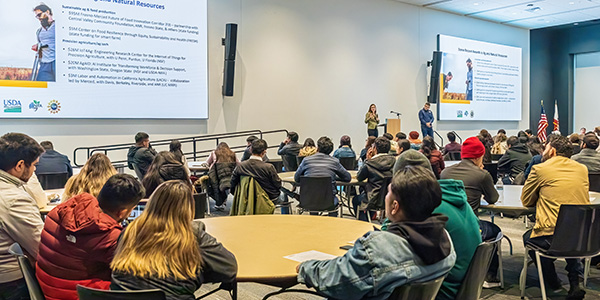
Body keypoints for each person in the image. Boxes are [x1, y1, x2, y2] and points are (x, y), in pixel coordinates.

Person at [296, 166, 456, 299]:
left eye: (387, 193)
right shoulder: (445, 240)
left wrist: (306, 267)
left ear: (394, 206)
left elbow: (334, 280)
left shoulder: (378, 248)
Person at [111, 180, 237, 299]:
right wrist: (195, 273)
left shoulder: (129, 231)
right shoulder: (192, 234)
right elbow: (229, 268)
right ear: (188, 209)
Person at [36, 174, 145, 300]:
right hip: (74, 295)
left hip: (47, 288)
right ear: (122, 212)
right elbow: (132, 272)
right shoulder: (108, 236)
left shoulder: (65, 208)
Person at [521, 135, 588, 299]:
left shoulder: (540, 169)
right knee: (570, 232)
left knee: (528, 238)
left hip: (550, 237)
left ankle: (553, 282)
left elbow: (526, 200)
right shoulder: (582, 169)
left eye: (546, 147)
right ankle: (575, 280)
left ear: (552, 150)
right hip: (583, 237)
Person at [0, 133, 45, 299]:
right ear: (19, 165)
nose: (34, 171)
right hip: (11, 283)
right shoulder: (13, 199)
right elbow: (41, 248)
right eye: (34, 165)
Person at [440, 136, 498, 211]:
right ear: (478, 157)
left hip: (447, 220)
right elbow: (493, 199)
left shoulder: (444, 172)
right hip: (469, 221)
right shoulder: (482, 175)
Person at [295, 137, 351, 212]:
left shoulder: (306, 160)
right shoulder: (334, 162)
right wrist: (334, 177)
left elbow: (296, 178)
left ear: (317, 148)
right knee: (334, 203)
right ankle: (333, 221)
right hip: (328, 202)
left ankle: (313, 220)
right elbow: (347, 177)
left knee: (313, 204)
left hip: (309, 201)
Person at [230, 139, 284, 209]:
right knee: (283, 195)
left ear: (250, 150)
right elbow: (278, 184)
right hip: (269, 198)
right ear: (264, 152)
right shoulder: (269, 167)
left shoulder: (240, 166)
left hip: (246, 198)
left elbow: (232, 183)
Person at [353, 137, 395, 221]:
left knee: (356, 199)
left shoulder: (370, 163)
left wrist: (367, 160)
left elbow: (359, 177)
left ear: (374, 148)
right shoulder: (395, 161)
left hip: (372, 199)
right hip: (390, 198)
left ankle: (363, 223)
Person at [32, 4, 55, 82]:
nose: (38, 18)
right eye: (37, 16)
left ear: (47, 12)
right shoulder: (39, 31)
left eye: (39, 15)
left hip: (56, 62)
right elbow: (41, 43)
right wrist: (38, 46)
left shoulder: (58, 27)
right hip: (44, 64)